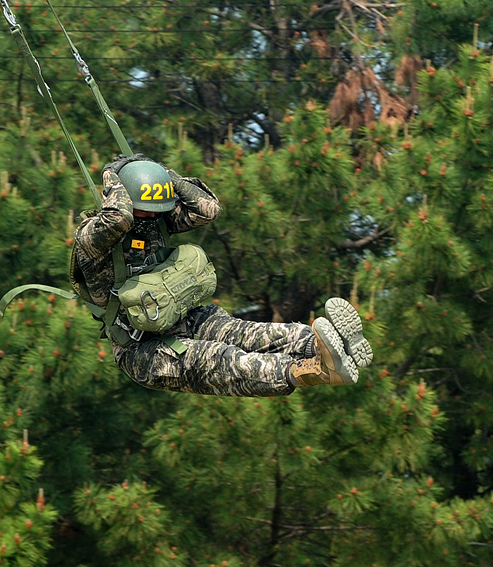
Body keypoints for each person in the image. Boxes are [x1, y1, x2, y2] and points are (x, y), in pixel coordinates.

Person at [71, 154, 373, 397]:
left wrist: (163, 173)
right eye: (145, 211)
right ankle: (313, 370)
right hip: (144, 348)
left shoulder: (153, 221)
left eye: (157, 210)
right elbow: (119, 218)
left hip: (188, 318)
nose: (153, 218)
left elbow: (208, 209)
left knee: (250, 333)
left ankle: (324, 345)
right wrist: (113, 176)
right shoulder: (93, 239)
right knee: (221, 360)